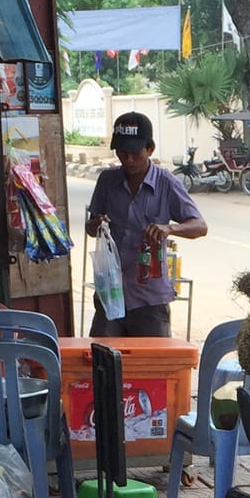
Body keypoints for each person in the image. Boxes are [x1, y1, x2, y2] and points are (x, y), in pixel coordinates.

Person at [83, 113, 207, 338]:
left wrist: (169, 229)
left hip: (149, 299)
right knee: (103, 364)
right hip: (111, 295)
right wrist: (97, 224)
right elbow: (90, 229)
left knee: (151, 367)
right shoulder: (107, 181)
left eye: (134, 153)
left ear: (150, 149)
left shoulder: (166, 183)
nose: (127, 158)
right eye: (122, 152)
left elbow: (200, 226)